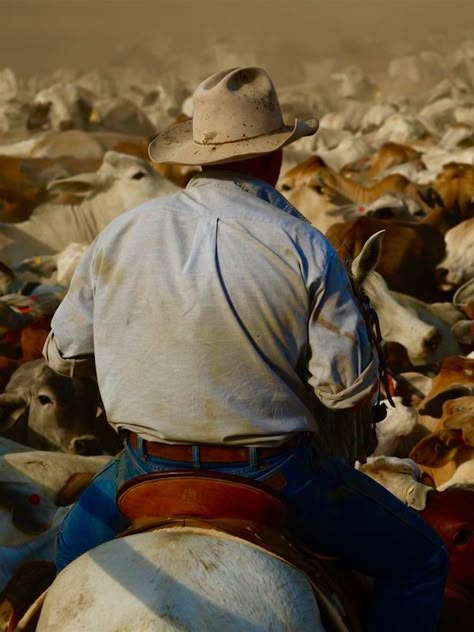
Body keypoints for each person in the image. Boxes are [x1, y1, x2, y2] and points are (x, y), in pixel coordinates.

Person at [43, 67, 447, 630]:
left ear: (197, 155)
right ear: (275, 157)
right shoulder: (305, 244)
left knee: (61, 569)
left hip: (144, 467)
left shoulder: (124, 231)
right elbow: (347, 390)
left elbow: (62, 355)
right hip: (276, 474)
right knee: (420, 562)